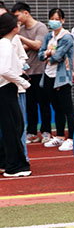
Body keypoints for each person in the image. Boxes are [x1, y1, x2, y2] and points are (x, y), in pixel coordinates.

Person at [38, 8, 74, 152]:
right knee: (57, 108)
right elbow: (40, 55)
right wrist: (49, 53)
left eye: (57, 19)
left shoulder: (67, 37)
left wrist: (48, 54)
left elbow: (57, 56)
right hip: (48, 75)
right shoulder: (49, 36)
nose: (54, 22)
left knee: (68, 108)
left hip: (62, 77)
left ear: (63, 20)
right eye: (52, 19)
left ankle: (72, 138)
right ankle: (60, 136)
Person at [12, 3, 49, 143]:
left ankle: (45, 131)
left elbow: (38, 45)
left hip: (40, 71)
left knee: (43, 103)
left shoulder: (40, 27)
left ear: (26, 13)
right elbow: (22, 48)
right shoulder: (20, 30)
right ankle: (31, 131)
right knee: (30, 104)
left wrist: (22, 39)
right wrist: (29, 44)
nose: (17, 19)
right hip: (26, 73)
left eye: (17, 16)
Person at [0, 12, 31, 177]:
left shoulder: (6, 43)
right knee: (14, 127)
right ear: (13, 27)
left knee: (13, 126)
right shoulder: (5, 44)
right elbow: (4, 70)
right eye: (18, 23)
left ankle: (5, 162)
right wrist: (22, 82)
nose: (20, 25)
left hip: (7, 89)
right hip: (6, 89)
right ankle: (14, 167)